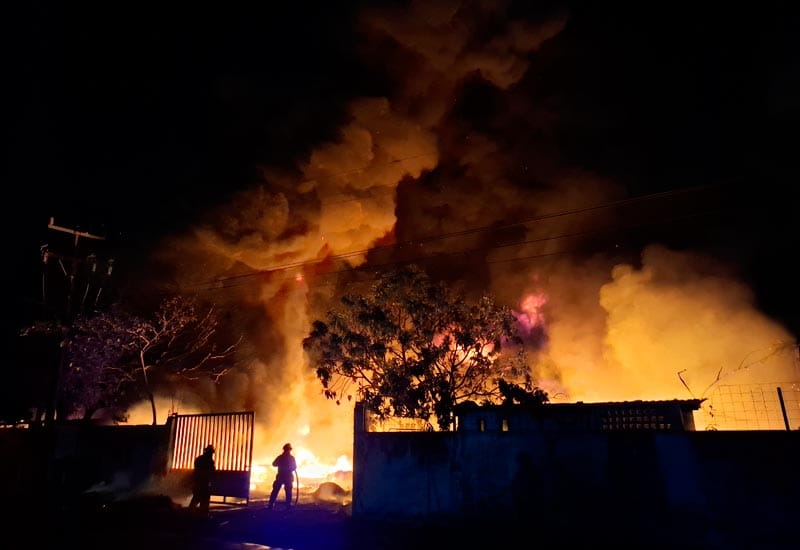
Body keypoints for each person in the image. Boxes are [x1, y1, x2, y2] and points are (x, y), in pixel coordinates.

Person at [268, 443, 297, 509]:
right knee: (287, 491)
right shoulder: (291, 458)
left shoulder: (281, 457)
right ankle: (288, 505)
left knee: (276, 490)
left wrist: (280, 464)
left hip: (281, 476)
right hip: (287, 477)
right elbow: (294, 467)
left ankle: (271, 504)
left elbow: (274, 464)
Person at [188, 444, 215, 515]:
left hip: (198, 481)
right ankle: (202, 513)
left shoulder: (199, 459)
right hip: (203, 482)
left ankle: (190, 512)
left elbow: (196, 470)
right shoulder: (209, 461)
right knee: (204, 498)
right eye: (211, 452)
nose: (211, 454)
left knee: (197, 497)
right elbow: (211, 472)